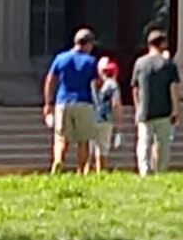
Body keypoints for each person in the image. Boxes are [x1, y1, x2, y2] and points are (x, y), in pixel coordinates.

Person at [43, 28, 103, 173]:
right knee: (83, 140)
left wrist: (48, 102)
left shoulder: (61, 58)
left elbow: (50, 80)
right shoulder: (91, 61)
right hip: (84, 102)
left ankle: (58, 161)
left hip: (63, 101)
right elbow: (97, 83)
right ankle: (81, 170)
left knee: (61, 138)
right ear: (88, 44)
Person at [129, 26, 181, 174]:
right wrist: (176, 110)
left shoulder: (140, 63)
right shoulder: (168, 64)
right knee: (162, 143)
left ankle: (144, 170)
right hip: (164, 110)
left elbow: (135, 88)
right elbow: (173, 88)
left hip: (144, 110)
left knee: (144, 142)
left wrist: (137, 108)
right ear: (162, 44)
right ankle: (161, 170)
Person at [92, 54, 125, 172]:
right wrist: (120, 126)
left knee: (91, 146)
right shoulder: (113, 85)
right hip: (105, 119)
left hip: (91, 118)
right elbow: (116, 104)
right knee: (103, 148)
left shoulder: (93, 84)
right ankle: (100, 170)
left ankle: (86, 171)